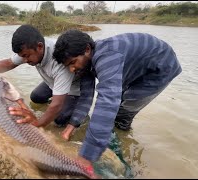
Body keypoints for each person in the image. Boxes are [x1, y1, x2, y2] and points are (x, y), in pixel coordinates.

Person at [50, 29, 182, 163]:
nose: (72, 69)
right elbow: (86, 97)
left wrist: (86, 157)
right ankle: (111, 143)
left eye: (73, 62)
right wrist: (71, 126)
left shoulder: (108, 56)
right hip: (138, 65)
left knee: (122, 114)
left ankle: (124, 149)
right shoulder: (86, 64)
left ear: (87, 49)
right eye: (68, 66)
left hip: (160, 68)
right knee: (116, 101)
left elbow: (107, 102)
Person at [0, 25, 85, 138]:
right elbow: (9, 63)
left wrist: (38, 123)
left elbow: (57, 104)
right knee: (36, 97)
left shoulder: (58, 61)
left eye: (26, 56)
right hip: (53, 81)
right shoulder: (32, 47)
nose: (24, 60)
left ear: (40, 47)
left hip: (72, 88)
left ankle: (75, 111)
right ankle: (52, 102)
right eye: (22, 56)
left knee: (59, 119)